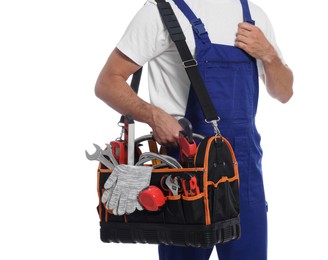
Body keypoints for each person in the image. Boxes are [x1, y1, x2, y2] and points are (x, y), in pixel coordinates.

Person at [95, 0, 293, 259]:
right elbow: (107, 82)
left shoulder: (254, 15)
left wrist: (268, 54)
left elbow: (284, 92)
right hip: (183, 169)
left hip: (244, 170)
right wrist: (155, 116)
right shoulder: (161, 11)